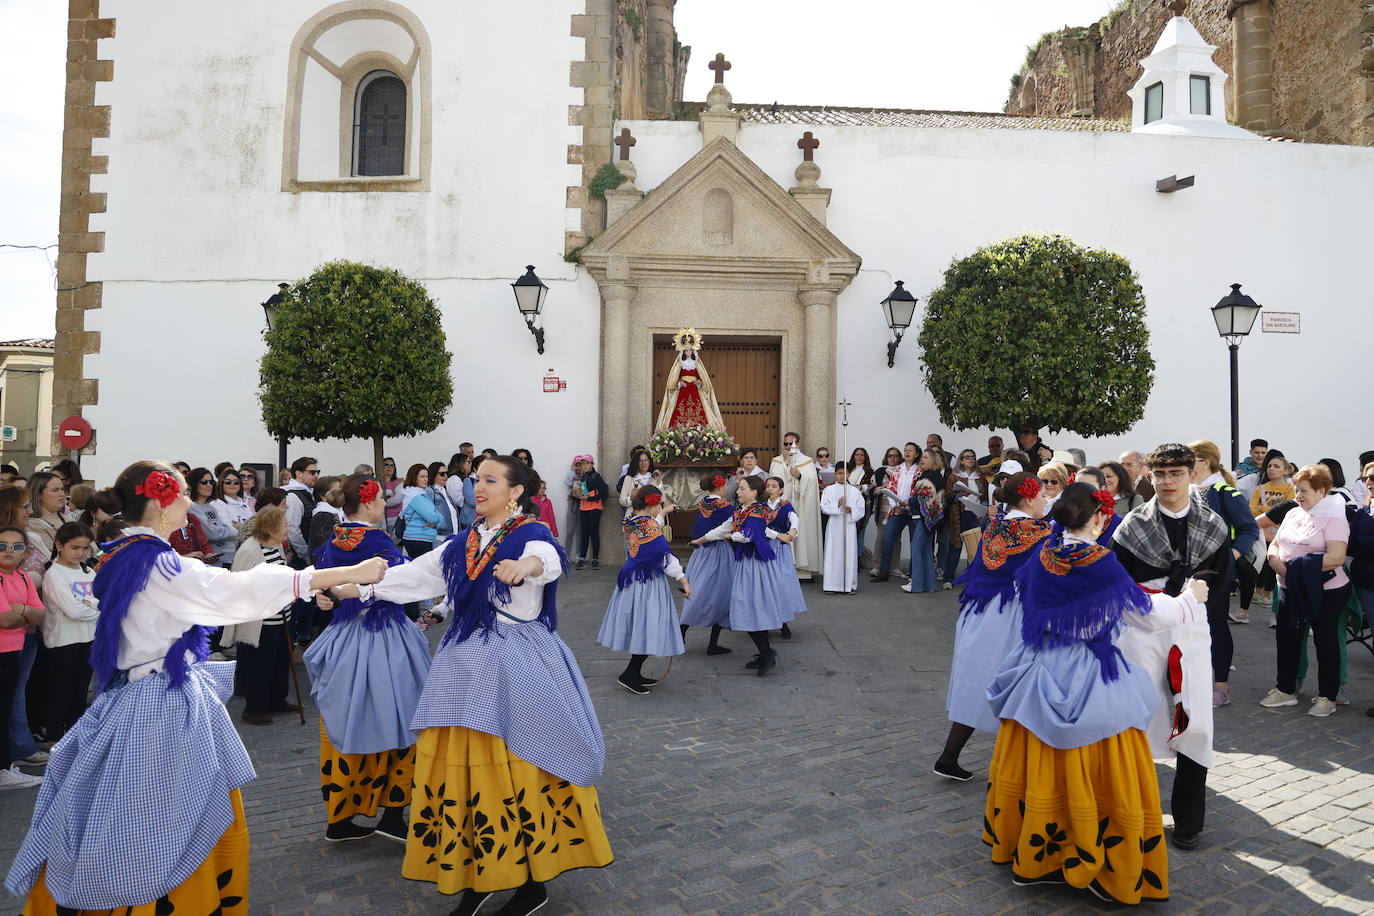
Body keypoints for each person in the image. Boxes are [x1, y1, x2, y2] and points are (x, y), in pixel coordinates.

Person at [5, 461, 386, 911]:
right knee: (163, 819)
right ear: (161, 503)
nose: (189, 502)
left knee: (132, 809)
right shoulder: (155, 562)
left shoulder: (124, 552)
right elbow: (229, 591)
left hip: (140, 694)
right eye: (183, 493)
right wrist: (347, 573)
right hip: (158, 706)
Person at [366, 456, 611, 916]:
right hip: (462, 673)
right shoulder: (461, 542)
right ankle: (478, 878)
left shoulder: (530, 534)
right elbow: (410, 577)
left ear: (516, 491)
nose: (478, 487)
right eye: (477, 480)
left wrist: (526, 566)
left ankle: (532, 881)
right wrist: (352, 588)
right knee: (469, 778)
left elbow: (552, 559)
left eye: (490, 480)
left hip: (517, 665)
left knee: (519, 771)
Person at [984, 483, 1209, 904]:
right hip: (1090, 673)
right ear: (1101, 518)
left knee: (1043, 764)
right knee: (1106, 768)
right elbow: (1145, 615)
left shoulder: (1043, 556)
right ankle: (1093, 859)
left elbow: (1025, 598)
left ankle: (1037, 854)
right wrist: (1190, 600)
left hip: (1039, 669)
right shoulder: (1100, 561)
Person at [1111, 443, 1226, 851]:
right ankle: (1133, 815)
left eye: (1175, 473)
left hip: (1192, 634)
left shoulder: (1213, 525)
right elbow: (1119, 583)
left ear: (1192, 474)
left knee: (1195, 724)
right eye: (1159, 474)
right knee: (1138, 722)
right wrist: (1167, 596)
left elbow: (1220, 581)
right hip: (1144, 631)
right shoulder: (1130, 526)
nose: (1166, 482)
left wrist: (1195, 594)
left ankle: (1189, 822)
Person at [305, 475, 430, 843]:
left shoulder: (335, 537)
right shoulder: (377, 539)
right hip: (384, 637)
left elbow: (321, 582)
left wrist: (327, 596)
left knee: (344, 726)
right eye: (381, 497)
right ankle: (394, 813)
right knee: (404, 721)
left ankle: (339, 817)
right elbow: (395, 582)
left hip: (343, 639)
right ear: (372, 500)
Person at [934, 471, 1051, 781]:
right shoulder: (1040, 533)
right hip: (1011, 615)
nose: (1046, 500)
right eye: (1042, 495)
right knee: (1021, 687)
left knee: (977, 681)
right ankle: (1018, 772)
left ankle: (949, 757)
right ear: (1028, 499)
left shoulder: (995, 525)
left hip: (979, 611)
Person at [1261, 464, 1351, 718]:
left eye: (1304, 491)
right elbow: (1276, 544)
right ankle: (1286, 690)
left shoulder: (1334, 517)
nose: (1298, 495)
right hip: (1289, 588)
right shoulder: (1293, 513)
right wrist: (1273, 560)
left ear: (1321, 491)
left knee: (1326, 641)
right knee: (1287, 639)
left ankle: (1328, 697)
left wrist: (1297, 568)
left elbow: (1336, 557)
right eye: (1296, 490)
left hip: (1326, 590)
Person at [691, 475, 789, 677]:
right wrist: (699, 541)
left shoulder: (759, 510)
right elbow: (722, 528)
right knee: (747, 608)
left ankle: (766, 652)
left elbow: (749, 534)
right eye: (738, 488)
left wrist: (731, 537)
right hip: (745, 564)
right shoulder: (741, 510)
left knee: (748, 607)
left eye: (742, 488)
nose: (737, 491)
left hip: (756, 566)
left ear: (754, 492)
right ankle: (765, 652)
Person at [597, 486, 689, 695]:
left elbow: (653, 533)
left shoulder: (632, 522)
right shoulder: (649, 526)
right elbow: (663, 556)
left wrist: (662, 515)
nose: (661, 507)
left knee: (642, 626)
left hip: (633, 581)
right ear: (652, 503)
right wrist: (683, 579)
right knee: (648, 626)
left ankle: (634, 673)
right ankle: (629, 674)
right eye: (660, 504)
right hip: (647, 583)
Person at [1187, 440, 1261, 702]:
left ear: (1205, 461)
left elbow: (1249, 529)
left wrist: (1230, 555)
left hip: (1215, 573)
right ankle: (1193, 681)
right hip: (1187, 571)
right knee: (1187, 626)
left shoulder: (1225, 492)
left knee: (1215, 625)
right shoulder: (1185, 491)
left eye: (1189, 460)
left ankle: (1221, 687)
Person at [223, 505, 299, 727]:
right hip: (260, 621)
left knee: (280, 661)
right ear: (270, 527)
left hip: (281, 616)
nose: (288, 528)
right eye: (284, 524)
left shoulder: (277, 547)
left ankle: (277, 700)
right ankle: (254, 708)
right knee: (261, 666)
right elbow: (241, 586)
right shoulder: (250, 550)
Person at [38, 522, 98, 745]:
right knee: (61, 692)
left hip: (88, 638)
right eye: (75, 547)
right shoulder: (54, 574)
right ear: (59, 545)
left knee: (80, 692)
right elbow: (72, 610)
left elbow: (102, 601)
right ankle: (54, 739)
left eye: (84, 548)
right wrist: (95, 606)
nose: (80, 553)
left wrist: (91, 604)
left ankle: (75, 738)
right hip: (63, 641)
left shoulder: (88, 571)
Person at [0, 526, 45, 789]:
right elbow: (5, 619)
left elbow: (40, 616)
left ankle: (5, 766)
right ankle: (4, 770)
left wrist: (22, 610)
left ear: (25, 552)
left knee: (5, 710)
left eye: (16, 547)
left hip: (12, 653)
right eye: (2, 545)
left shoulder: (23, 578)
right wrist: (23, 616)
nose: (9, 551)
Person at [679, 474, 736, 656]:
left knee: (697, 590)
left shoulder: (704, 502)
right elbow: (732, 525)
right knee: (722, 593)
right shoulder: (725, 505)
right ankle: (712, 644)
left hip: (701, 552)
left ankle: (681, 633)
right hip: (719, 552)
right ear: (722, 486)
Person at [768, 433, 823, 578]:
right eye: (785, 444)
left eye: (790, 444)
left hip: (800, 503)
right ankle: (783, 564)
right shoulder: (776, 461)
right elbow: (774, 479)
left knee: (800, 531)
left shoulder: (806, 461)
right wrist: (786, 463)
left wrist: (800, 476)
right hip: (782, 503)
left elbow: (812, 482)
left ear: (797, 444)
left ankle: (802, 567)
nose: (787, 447)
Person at [872, 443, 921, 583]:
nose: (907, 453)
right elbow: (891, 489)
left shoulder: (919, 470)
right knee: (887, 538)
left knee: (914, 541)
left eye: (910, 450)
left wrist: (909, 504)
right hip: (898, 510)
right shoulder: (897, 469)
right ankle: (884, 571)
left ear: (917, 454)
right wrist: (895, 505)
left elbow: (918, 490)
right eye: (905, 450)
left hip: (913, 510)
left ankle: (913, 573)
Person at [763, 476, 806, 634]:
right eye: (768, 486)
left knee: (782, 582)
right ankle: (766, 620)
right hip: (765, 546)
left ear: (781, 489)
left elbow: (794, 518)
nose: (770, 489)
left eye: (774, 486)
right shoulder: (762, 506)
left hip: (780, 549)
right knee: (766, 583)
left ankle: (783, 621)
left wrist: (793, 530)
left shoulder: (785, 505)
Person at [903, 449, 947, 594]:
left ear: (933, 460)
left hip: (923, 519)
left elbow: (922, 497)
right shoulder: (933, 476)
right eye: (922, 457)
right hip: (928, 519)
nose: (922, 460)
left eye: (926, 458)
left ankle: (916, 584)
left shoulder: (930, 477)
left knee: (916, 548)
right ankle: (930, 584)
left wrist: (908, 501)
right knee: (926, 551)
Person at [820, 462, 862, 594]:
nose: (842, 476)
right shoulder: (829, 490)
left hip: (848, 525)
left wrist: (851, 510)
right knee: (833, 552)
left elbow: (860, 508)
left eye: (845, 473)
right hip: (834, 525)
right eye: (839, 473)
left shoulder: (854, 491)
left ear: (849, 474)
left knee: (849, 552)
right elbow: (823, 506)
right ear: (835, 474)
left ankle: (848, 584)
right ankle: (832, 585)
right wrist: (836, 504)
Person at [186, 467, 237, 569]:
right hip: (210, 561)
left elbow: (218, 530)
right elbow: (212, 533)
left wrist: (223, 529)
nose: (209, 485)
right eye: (204, 482)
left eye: (211, 482)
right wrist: (233, 531)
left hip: (227, 557)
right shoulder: (191, 507)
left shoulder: (211, 507)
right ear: (194, 483)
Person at [948, 449, 984, 571]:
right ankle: (948, 577)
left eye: (972, 457)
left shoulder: (979, 477)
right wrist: (957, 497)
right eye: (967, 457)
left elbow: (984, 496)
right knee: (955, 545)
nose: (970, 459)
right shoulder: (954, 476)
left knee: (973, 546)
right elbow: (948, 496)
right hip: (959, 514)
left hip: (975, 514)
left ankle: (971, 576)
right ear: (961, 461)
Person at [572, 454, 608, 570]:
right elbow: (583, 494)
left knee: (594, 533)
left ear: (592, 464)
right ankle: (582, 558)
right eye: (583, 464)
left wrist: (589, 498)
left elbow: (604, 494)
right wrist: (577, 495)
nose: (585, 466)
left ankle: (595, 559)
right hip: (583, 508)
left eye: (587, 463)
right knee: (584, 534)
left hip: (594, 508)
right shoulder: (583, 477)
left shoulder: (596, 477)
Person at [399, 463, 440, 558]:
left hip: (422, 537)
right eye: (422, 477)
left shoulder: (421, 494)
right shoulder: (415, 496)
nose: (426, 479)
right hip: (417, 538)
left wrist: (435, 520)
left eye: (426, 476)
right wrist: (435, 520)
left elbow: (437, 516)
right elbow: (432, 517)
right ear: (414, 478)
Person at [846, 447, 876, 567]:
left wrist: (863, 487)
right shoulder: (847, 469)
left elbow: (872, 487)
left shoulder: (869, 471)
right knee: (849, 530)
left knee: (860, 531)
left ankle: (857, 558)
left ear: (865, 457)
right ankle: (848, 556)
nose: (859, 457)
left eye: (862, 455)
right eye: (857, 454)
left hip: (863, 504)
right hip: (848, 504)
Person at [618, 451, 662, 520]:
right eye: (640, 461)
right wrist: (631, 498)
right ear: (636, 463)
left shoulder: (655, 477)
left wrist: (658, 482)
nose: (643, 463)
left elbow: (662, 499)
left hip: (653, 518)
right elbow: (622, 501)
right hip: (636, 518)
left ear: (649, 462)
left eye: (645, 460)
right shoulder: (629, 478)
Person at [1249, 450, 1294, 517]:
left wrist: (1262, 508)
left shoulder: (1291, 488)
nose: (1271, 468)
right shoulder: (1259, 488)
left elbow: (1287, 512)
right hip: (1261, 526)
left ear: (1285, 471)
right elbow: (1252, 511)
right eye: (1269, 466)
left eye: (1276, 466)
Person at [212, 467, 253, 537]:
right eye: (228, 482)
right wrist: (247, 529)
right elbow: (228, 531)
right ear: (221, 484)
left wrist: (241, 527)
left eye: (236, 482)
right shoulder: (217, 504)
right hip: (227, 547)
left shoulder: (244, 505)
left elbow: (256, 528)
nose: (232, 484)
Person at [426, 462, 460, 543]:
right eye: (442, 474)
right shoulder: (430, 492)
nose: (445, 476)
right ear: (433, 475)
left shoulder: (444, 492)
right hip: (439, 538)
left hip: (452, 538)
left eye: (446, 473)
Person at [382, 456, 404, 536]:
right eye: (386, 464)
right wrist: (389, 495)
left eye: (392, 465)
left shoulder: (398, 482)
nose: (389, 467)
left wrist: (380, 503)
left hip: (395, 519)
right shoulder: (377, 482)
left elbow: (397, 499)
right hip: (379, 521)